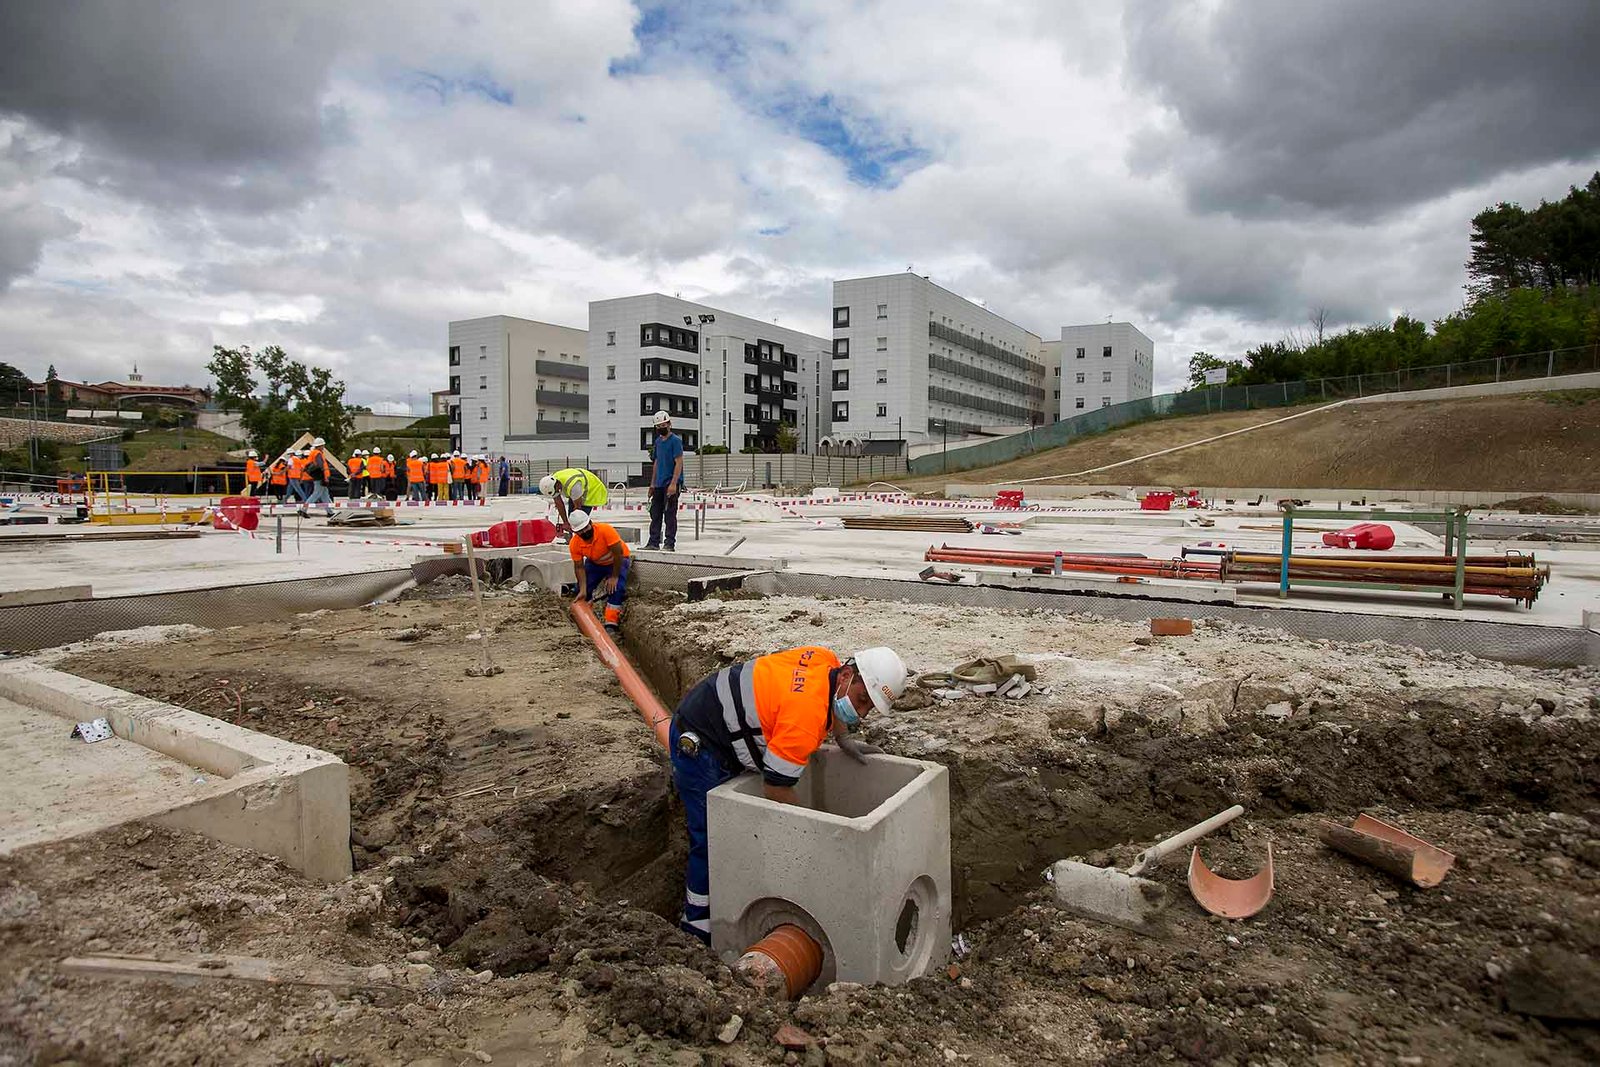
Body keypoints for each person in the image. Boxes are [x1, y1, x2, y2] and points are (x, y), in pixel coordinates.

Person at [668, 645, 906, 942]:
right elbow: (776, 787)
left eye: (869, 708)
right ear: (847, 674)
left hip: (712, 708)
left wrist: (842, 735)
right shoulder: (804, 719)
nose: (860, 713)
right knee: (712, 837)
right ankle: (695, 926)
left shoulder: (824, 659)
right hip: (701, 741)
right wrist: (813, 833)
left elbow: (828, 694)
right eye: (861, 700)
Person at [567, 510, 631, 635]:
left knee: (616, 588)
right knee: (581, 590)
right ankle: (587, 616)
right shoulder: (575, 544)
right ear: (575, 532)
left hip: (617, 560)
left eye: (586, 528)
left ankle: (611, 622)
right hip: (596, 563)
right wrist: (583, 590)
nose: (584, 532)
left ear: (590, 523)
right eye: (580, 531)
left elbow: (618, 554)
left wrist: (614, 577)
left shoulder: (605, 530)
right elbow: (579, 567)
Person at [646, 409, 683, 551]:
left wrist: (674, 483)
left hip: (670, 483)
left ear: (669, 424)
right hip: (659, 484)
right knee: (655, 514)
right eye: (658, 426)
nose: (661, 428)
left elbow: (679, 463)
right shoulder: (658, 442)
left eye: (663, 425)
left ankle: (669, 543)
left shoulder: (675, 441)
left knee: (670, 515)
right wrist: (652, 484)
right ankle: (653, 542)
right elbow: (656, 463)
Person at [538, 466, 608, 530]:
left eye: (556, 491)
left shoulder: (574, 486)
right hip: (578, 488)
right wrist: (566, 522)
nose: (557, 493)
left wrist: (572, 524)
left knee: (580, 521)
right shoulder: (552, 482)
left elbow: (578, 508)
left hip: (592, 489)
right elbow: (559, 503)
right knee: (573, 521)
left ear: (557, 484)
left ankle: (592, 534)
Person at [302, 437, 334, 513]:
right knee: (316, 494)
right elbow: (321, 466)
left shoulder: (313, 453)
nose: (323, 447)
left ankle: (330, 512)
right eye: (323, 445)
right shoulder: (318, 454)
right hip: (320, 476)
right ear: (319, 446)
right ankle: (303, 509)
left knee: (325, 495)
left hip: (318, 476)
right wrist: (325, 477)